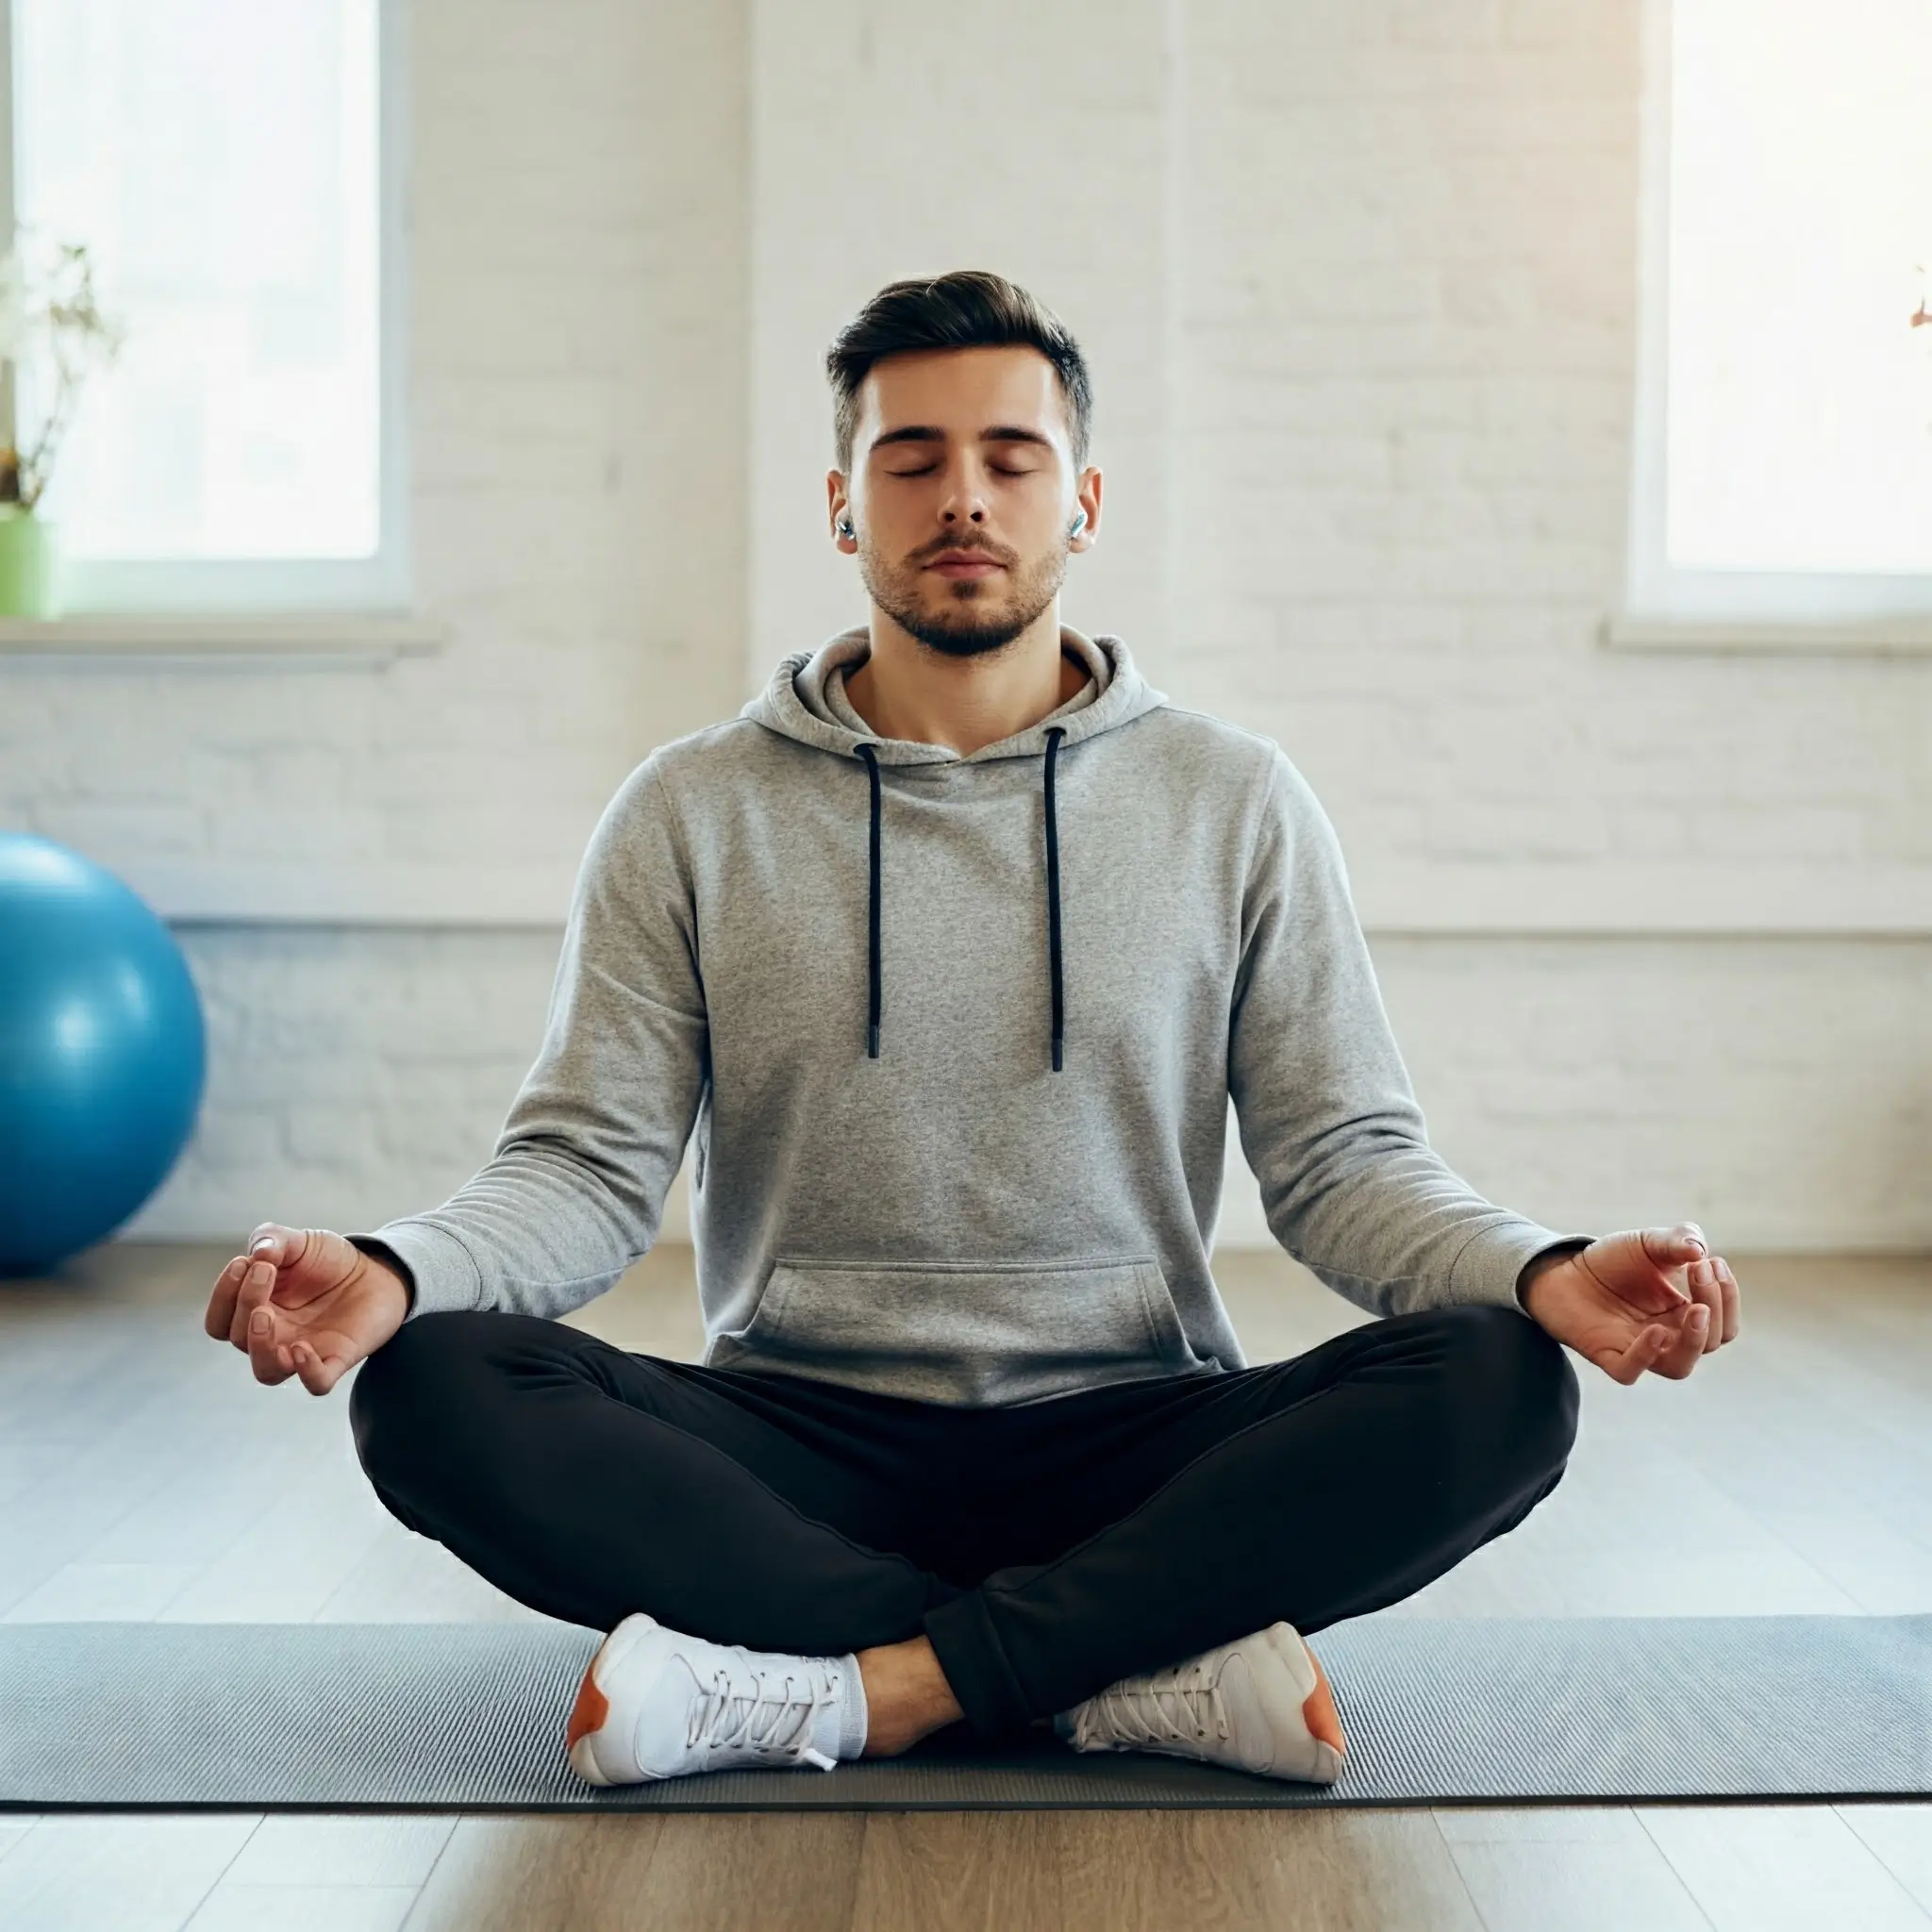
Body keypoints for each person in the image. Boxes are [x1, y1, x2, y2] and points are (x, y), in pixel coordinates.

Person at [203, 270, 1742, 1789]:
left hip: (1135, 1434)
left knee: (1499, 1379)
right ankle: (1115, 1677)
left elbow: (1344, 1165)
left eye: (1012, 459)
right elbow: (586, 1173)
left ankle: (851, 1689)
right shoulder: (690, 810)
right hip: (796, 1440)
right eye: (912, 457)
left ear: (1082, 502)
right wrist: (400, 1272)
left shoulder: (1235, 802)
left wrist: (1539, 1270)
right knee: (436, 1389)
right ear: (839, 503)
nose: (964, 498)